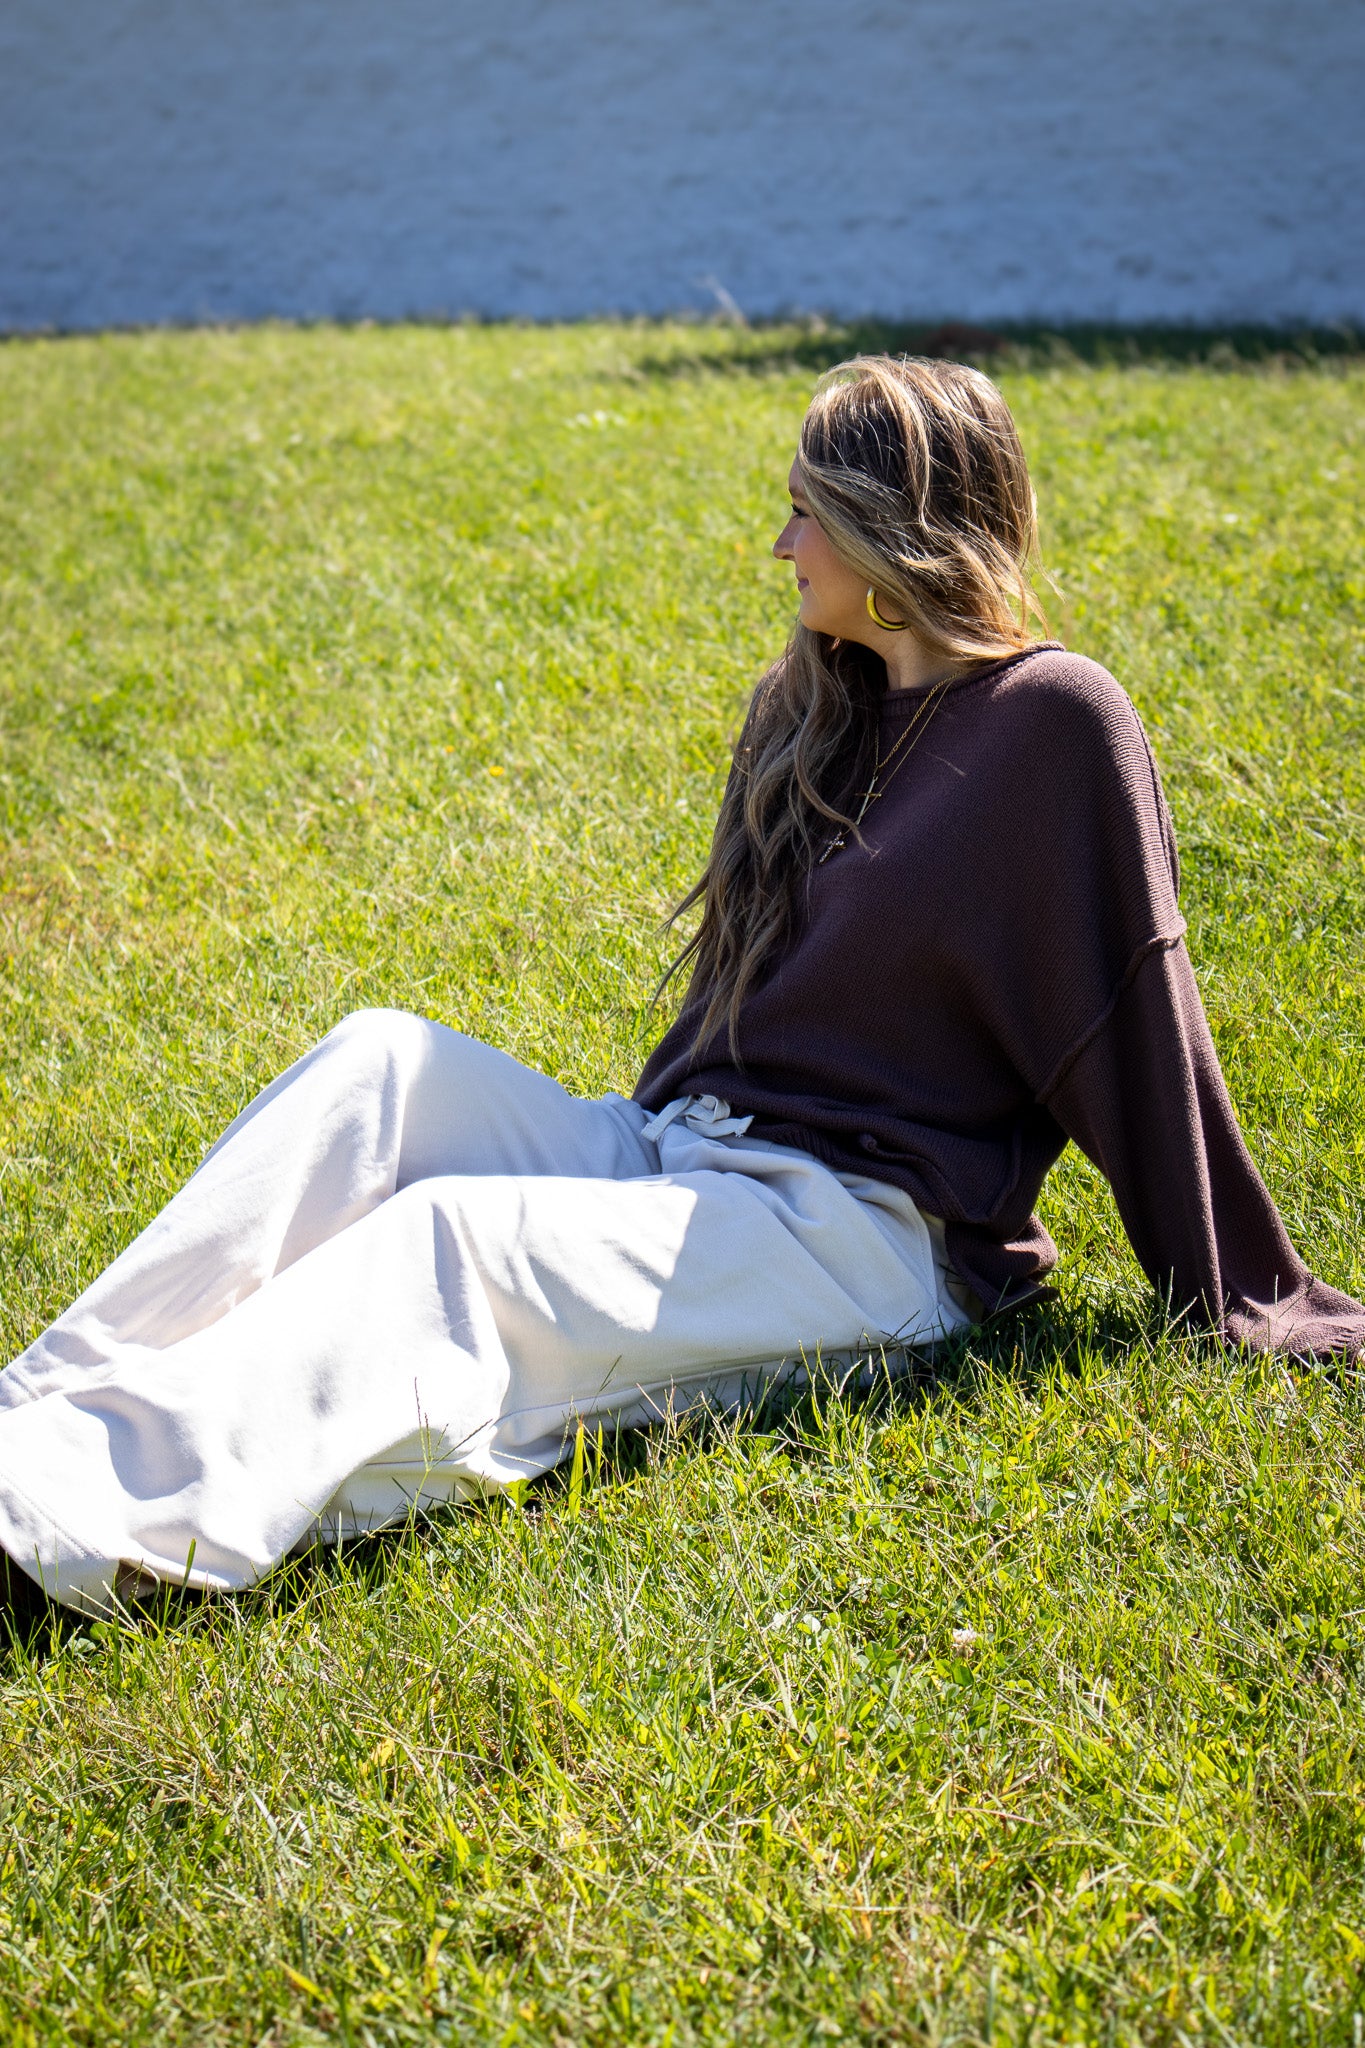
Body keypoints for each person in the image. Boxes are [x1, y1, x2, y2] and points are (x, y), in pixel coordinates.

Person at [2, 355, 1361, 1621]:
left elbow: (1137, 1007)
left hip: (854, 1231)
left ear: (896, 531)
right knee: (377, 1068)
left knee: (453, 1247)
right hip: (686, 1154)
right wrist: (637, 1165)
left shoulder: (1057, 724)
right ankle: (39, 1418)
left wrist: (1240, 1285)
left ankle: (88, 1526)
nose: (781, 548)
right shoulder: (815, 705)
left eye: (803, 516)